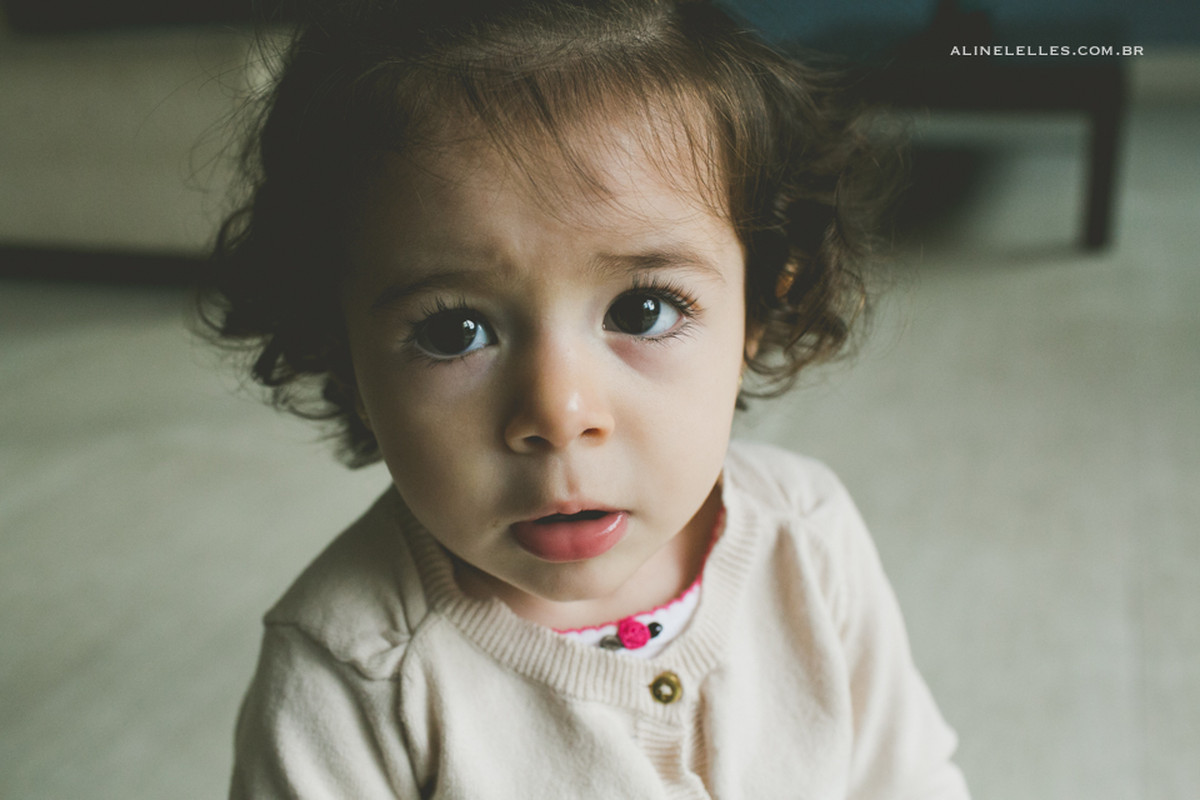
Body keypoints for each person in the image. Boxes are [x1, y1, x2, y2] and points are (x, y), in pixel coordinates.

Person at [200, 0, 970, 796]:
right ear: (340, 344)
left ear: (759, 306)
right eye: (454, 330)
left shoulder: (807, 539)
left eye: (642, 310)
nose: (560, 414)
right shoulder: (353, 672)